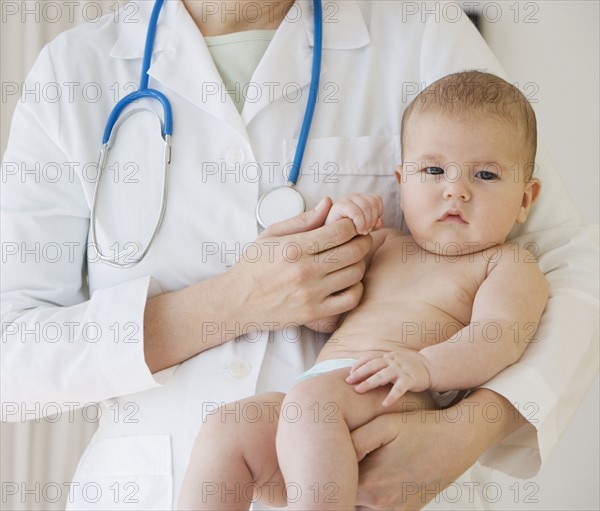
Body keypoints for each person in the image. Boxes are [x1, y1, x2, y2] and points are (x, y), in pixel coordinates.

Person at [1, 1, 597, 510]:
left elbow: (565, 262)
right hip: (153, 482)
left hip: (379, 466)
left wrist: (465, 432)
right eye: (432, 171)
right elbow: (13, 360)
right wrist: (231, 302)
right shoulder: (74, 70)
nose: (453, 186)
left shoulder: (415, 28)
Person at [177, 71, 549, 510]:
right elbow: (320, 314)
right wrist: (345, 228)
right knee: (231, 425)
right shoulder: (386, 245)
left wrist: (425, 366)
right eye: (433, 170)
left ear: (526, 199)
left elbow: (499, 337)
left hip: (398, 399)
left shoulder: (505, 264)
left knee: (311, 402)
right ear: (400, 181)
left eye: (485, 175)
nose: (455, 190)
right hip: (318, 409)